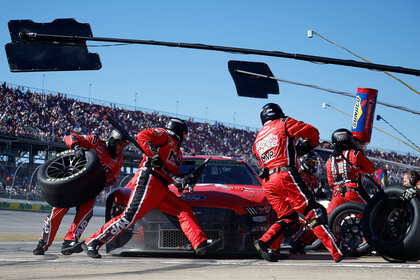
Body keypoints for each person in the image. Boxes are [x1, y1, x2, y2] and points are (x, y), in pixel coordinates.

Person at [81, 118, 222, 258]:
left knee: (183, 210)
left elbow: (171, 173)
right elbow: (142, 136)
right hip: (149, 179)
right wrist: (153, 155)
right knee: (128, 217)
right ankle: (93, 242)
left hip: (162, 188)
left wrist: (183, 180)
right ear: (179, 130)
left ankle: (199, 243)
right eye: (184, 134)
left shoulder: (178, 154)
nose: (184, 138)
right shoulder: (164, 135)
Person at [252, 103, 347, 263]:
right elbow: (312, 131)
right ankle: (336, 252)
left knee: (287, 218)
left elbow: (258, 153)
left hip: (267, 182)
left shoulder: (258, 137)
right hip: (284, 175)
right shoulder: (283, 122)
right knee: (314, 212)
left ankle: (264, 242)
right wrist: (308, 145)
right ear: (279, 112)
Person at [33, 130, 129, 255]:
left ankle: (70, 241)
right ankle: (43, 244)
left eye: (124, 146)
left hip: (90, 189)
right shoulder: (95, 142)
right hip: (70, 183)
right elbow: (71, 137)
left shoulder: (119, 160)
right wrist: (76, 147)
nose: (121, 148)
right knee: (57, 212)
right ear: (112, 140)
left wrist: (101, 179)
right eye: (120, 144)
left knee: (86, 213)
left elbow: (113, 178)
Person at [326, 128, 375, 216]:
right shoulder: (355, 154)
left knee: (329, 219)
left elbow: (331, 183)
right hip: (353, 192)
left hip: (337, 195)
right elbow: (371, 169)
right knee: (371, 214)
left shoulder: (329, 160)